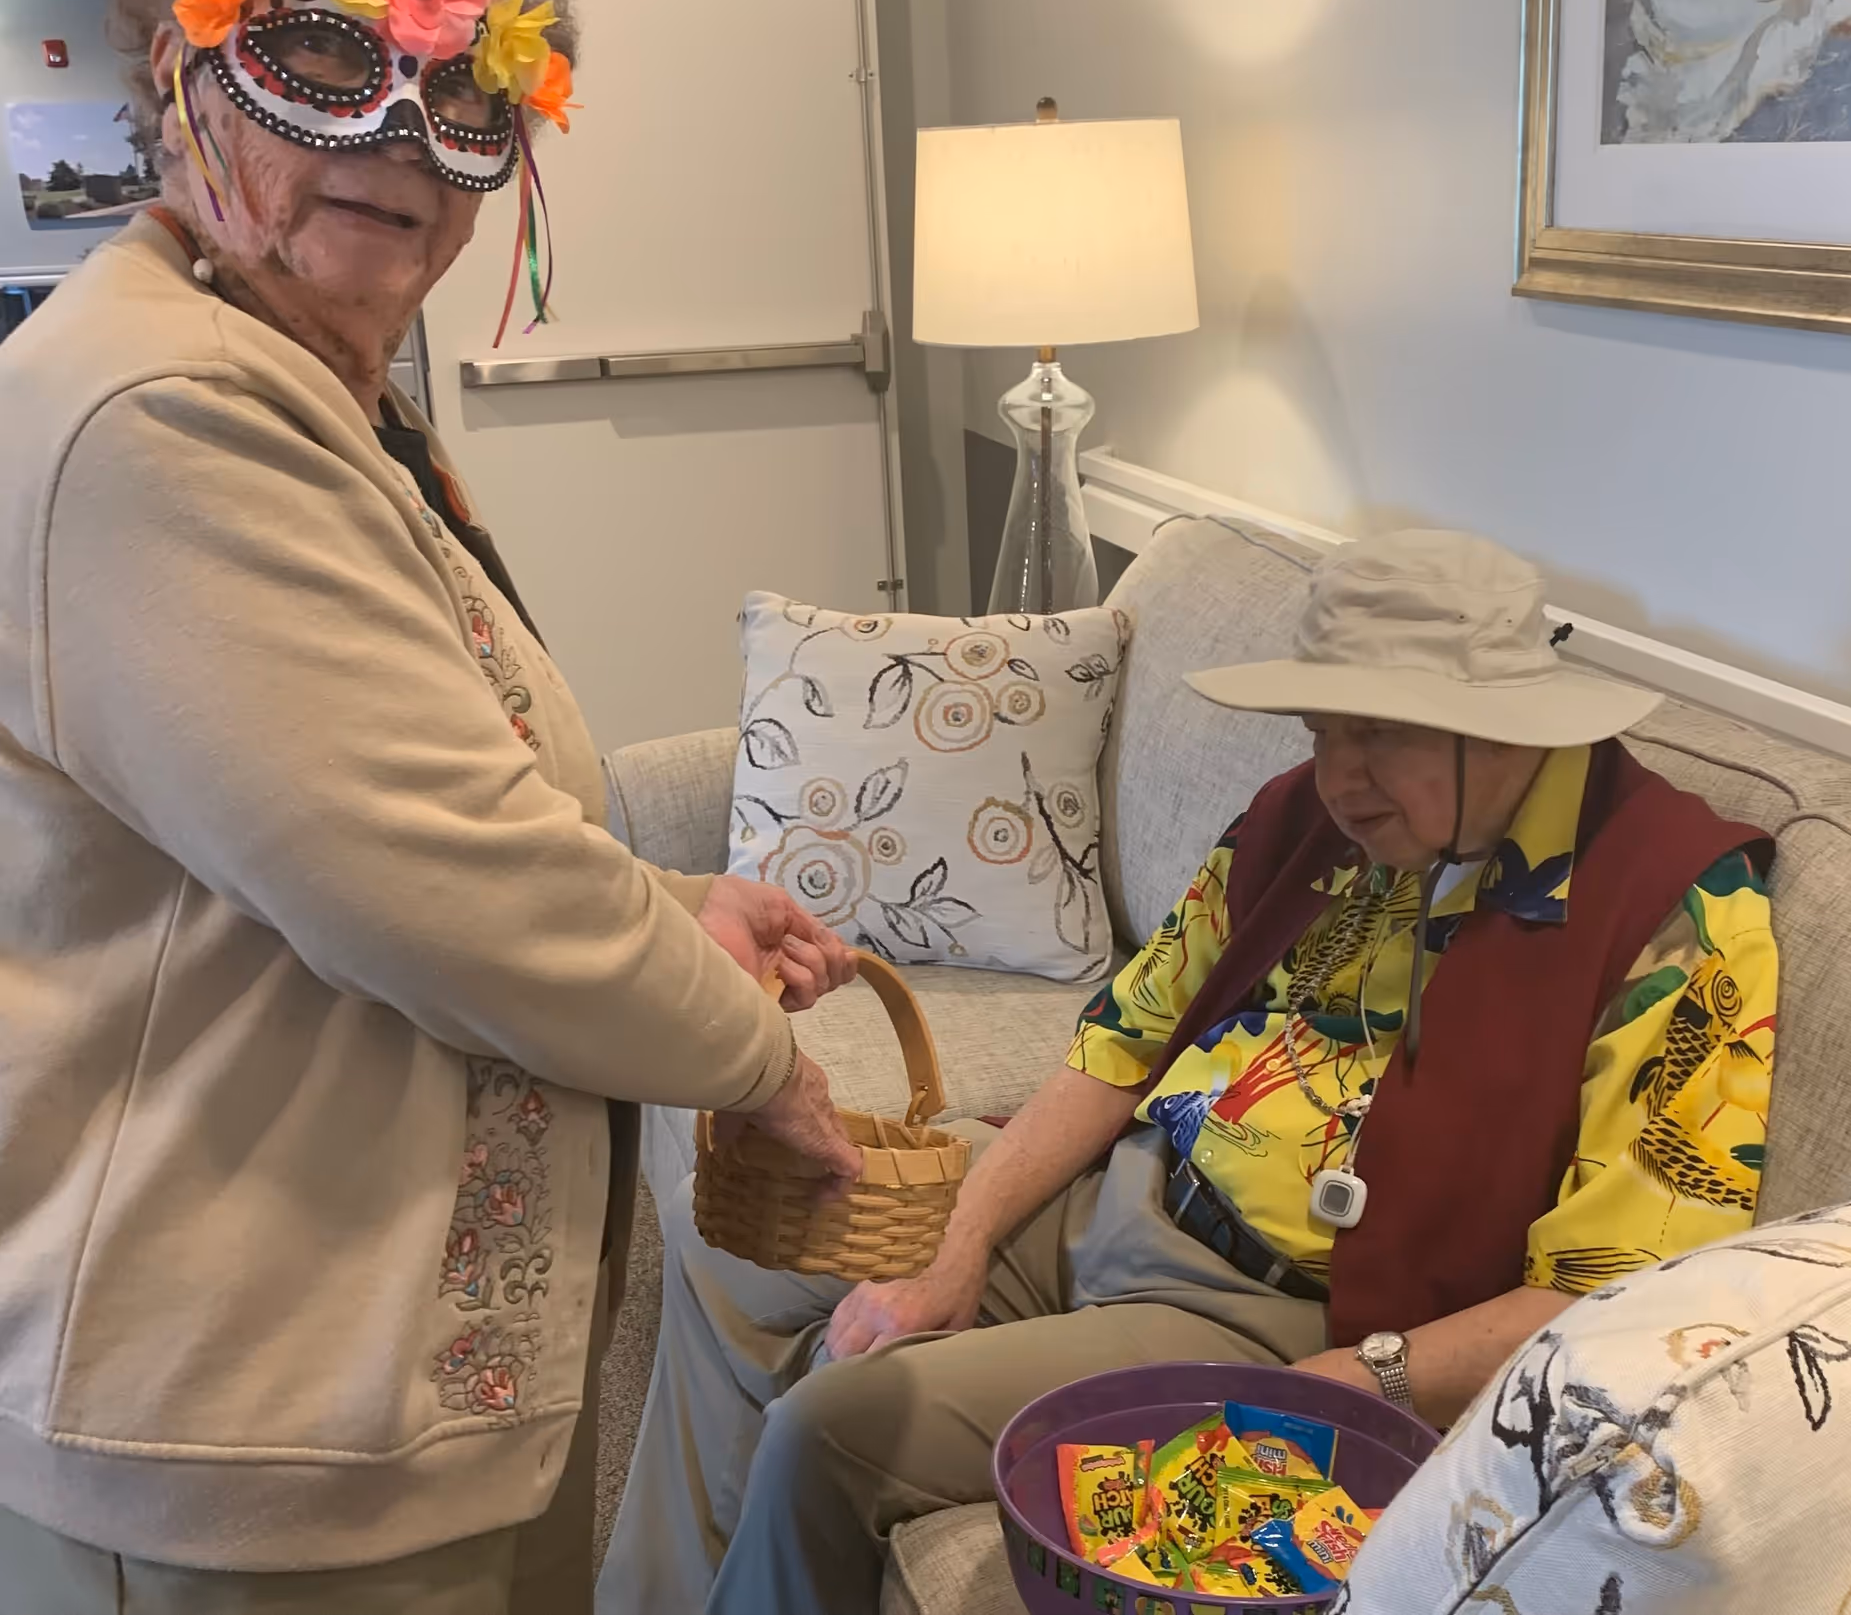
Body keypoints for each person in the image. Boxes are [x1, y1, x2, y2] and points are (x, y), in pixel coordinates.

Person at [0, 0, 862, 1614]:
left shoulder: (302, 380)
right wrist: (759, 1056)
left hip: (362, 1404)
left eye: (464, 87)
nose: (402, 130)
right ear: (181, 68)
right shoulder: (163, 415)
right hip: (247, 1438)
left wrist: (669, 907)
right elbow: (447, 881)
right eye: (325, 55)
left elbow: (428, 788)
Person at [604, 529, 1781, 1615]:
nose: (1340, 780)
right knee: (729, 1236)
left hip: (1273, 1309)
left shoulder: (1673, 913)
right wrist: (962, 1231)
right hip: (1128, 1181)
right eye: (1321, 730)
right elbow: (1125, 1039)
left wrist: (1363, 1381)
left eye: (1380, 731)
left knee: (834, 1431)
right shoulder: (1310, 818)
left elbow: (1614, 1296)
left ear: (1513, 721)